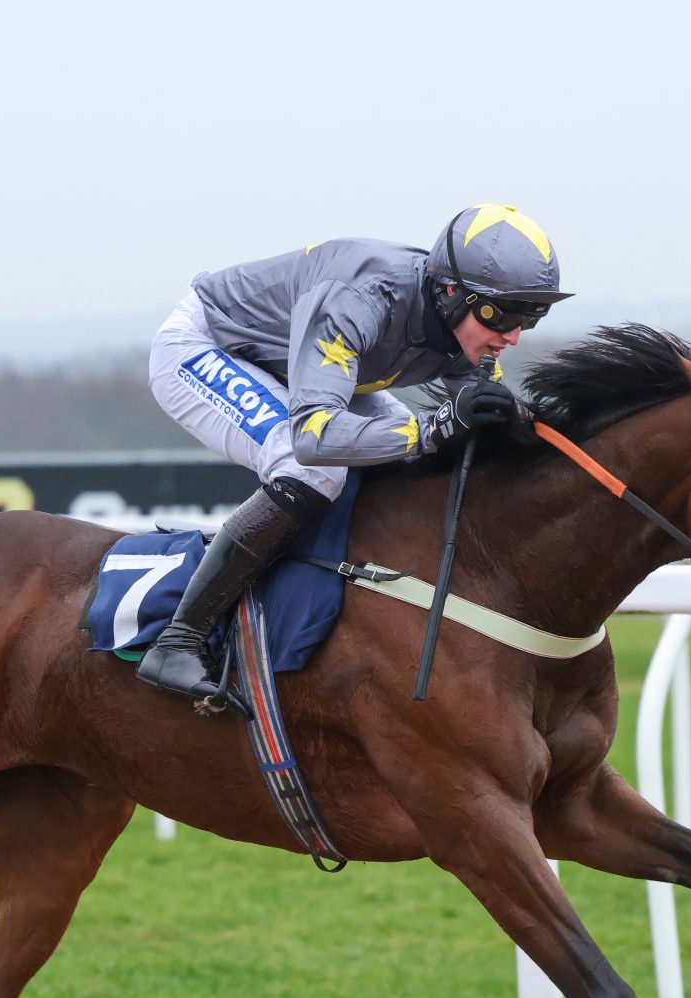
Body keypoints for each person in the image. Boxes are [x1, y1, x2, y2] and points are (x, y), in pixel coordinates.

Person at [137, 203, 572, 701]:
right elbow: (314, 436)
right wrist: (431, 430)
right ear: (451, 292)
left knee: (410, 453)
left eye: (531, 317)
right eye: (504, 315)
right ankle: (179, 639)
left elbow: (481, 425)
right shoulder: (363, 299)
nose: (513, 335)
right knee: (311, 470)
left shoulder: (462, 326)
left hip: (311, 366)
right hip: (207, 344)